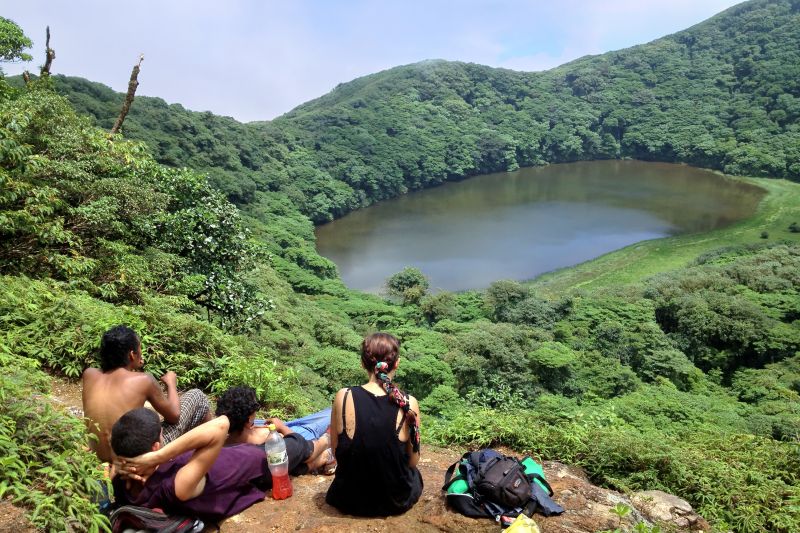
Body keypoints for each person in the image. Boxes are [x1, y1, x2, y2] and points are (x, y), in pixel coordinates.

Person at [325, 332, 423, 516]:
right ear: (397, 363)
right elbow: (412, 461)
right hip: (395, 501)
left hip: (348, 498)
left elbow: (338, 450)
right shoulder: (409, 403)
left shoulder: (343, 396)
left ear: (363, 363)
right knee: (415, 475)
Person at [82, 325, 211, 462]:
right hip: (135, 459)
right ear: (132, 355)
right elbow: (174, 416)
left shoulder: (89, 374)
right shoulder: (143, 380)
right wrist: (171, 384)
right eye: (139, 348)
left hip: (100, 458)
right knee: (197, 396)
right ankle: (214, 453)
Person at [214, 386, 335, 473]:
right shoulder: (267, 441)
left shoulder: (224, 439)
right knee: (332, 413)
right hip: (299, 434)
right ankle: (330, 447)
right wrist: (282, 427)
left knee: (326, 414)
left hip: (280, 427)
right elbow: (299, 447)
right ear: (247, 419)